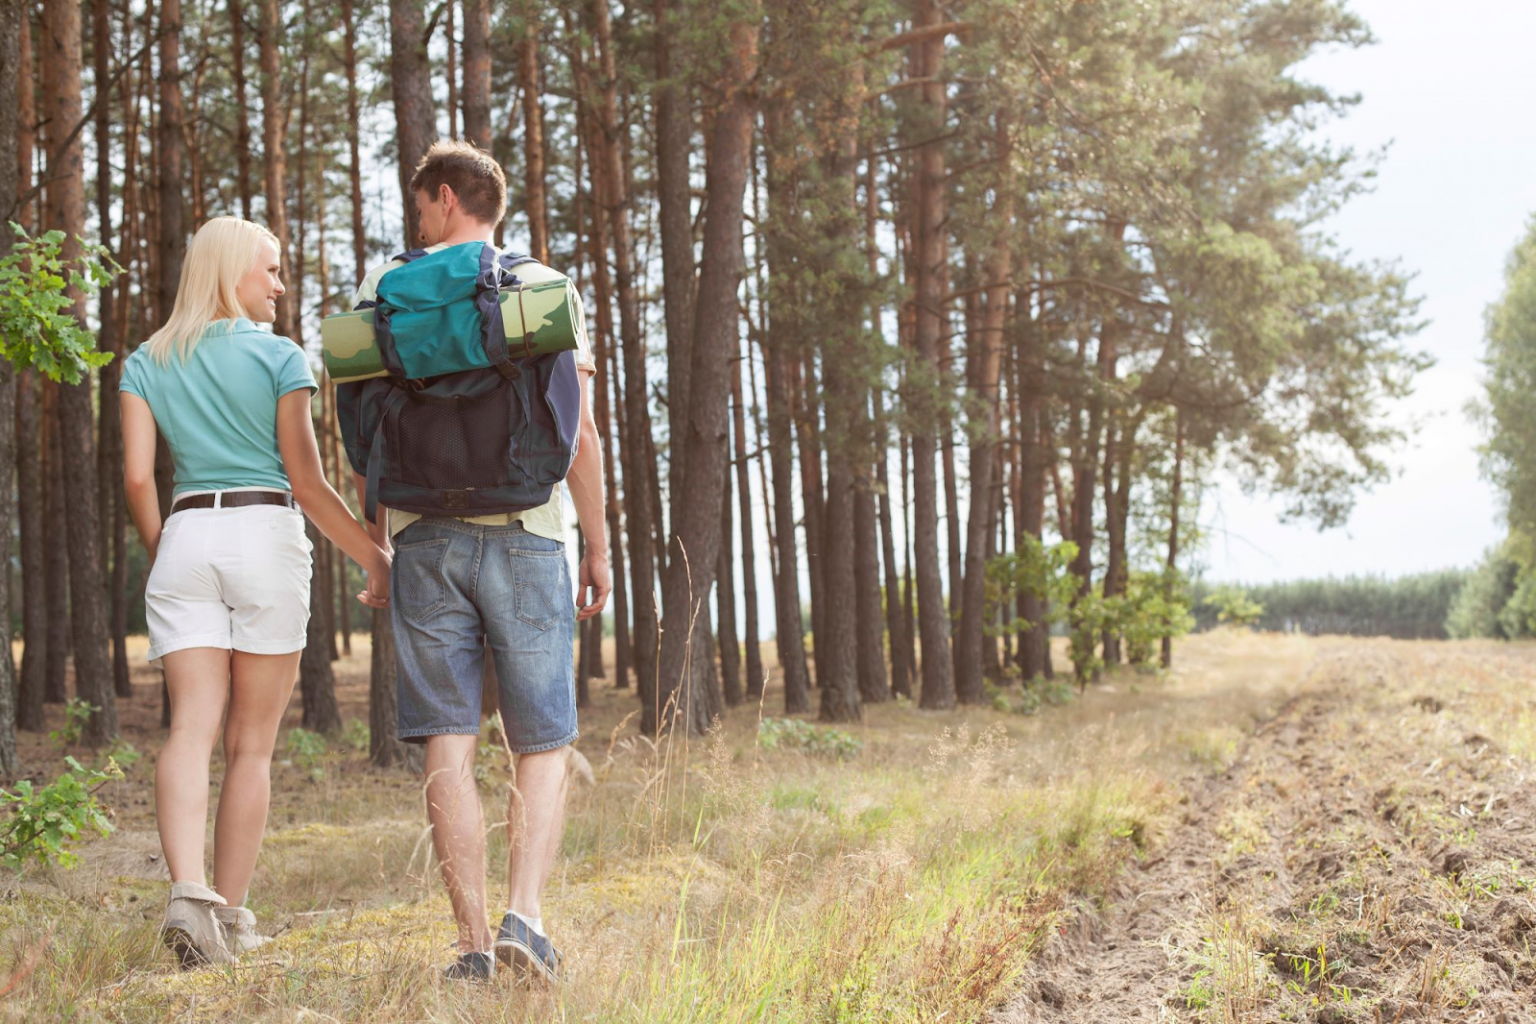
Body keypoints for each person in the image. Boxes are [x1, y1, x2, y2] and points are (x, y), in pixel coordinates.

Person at [345, 140, 610, 984]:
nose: (415, 223)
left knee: (447, 742)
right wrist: (597, 542)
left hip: (423, 539)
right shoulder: (540, 290)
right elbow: (580, 433)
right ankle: (523, 919)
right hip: (530, 530)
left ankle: (467, 947)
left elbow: (364, 443)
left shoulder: (379, 295)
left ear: (450, 197)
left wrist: (380, 543)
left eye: (422, 205)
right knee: (541, 739)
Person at [120, 216, 393, 966]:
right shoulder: (280, 357)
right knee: (252, 746)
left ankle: (188, 894)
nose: (279, 285)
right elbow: (307, 483)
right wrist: (374, 559)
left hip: (184, 536)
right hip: (264, 533)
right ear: (229, 270)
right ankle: (232, 919)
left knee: (190, 730)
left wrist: (166, 547)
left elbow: (140, 477)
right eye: (269, 270)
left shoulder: (147, 360)